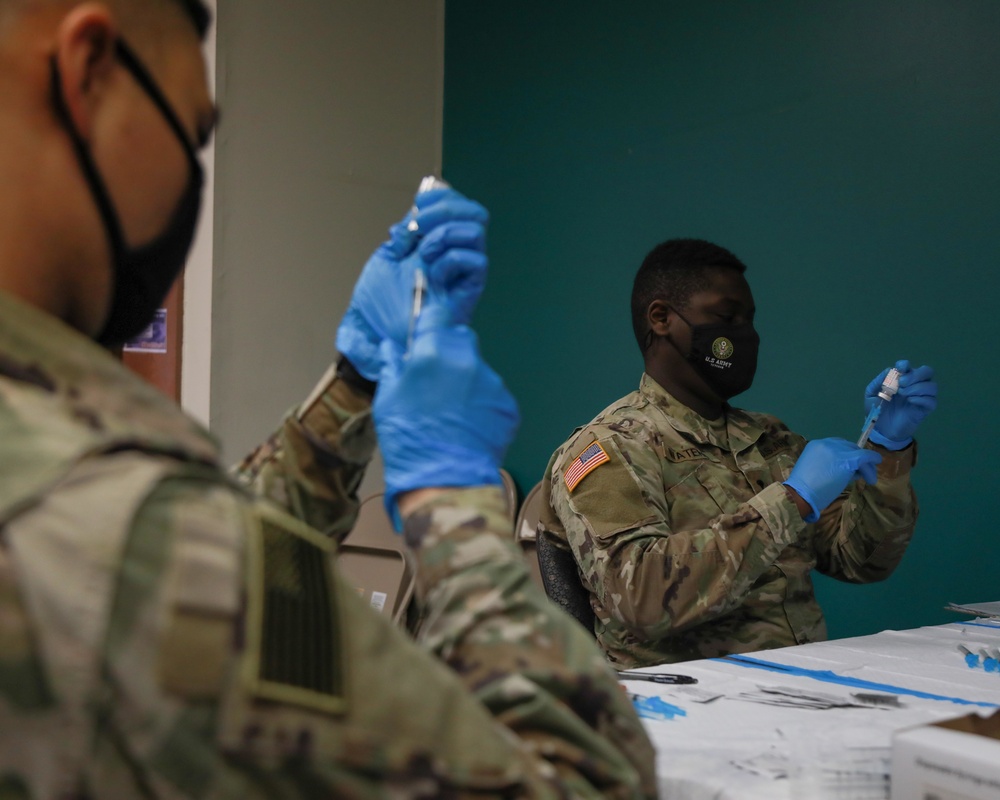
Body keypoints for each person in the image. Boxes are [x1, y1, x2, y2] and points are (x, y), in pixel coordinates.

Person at [0, 1, 657, 796]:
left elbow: (219, 553)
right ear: (88, 71)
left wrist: (353, 382)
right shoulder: (114, 524)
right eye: (193, 135)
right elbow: (588, 783)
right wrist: (453, 497)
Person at [541, 238, 937, 668]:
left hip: (804, 687)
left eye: (749, 320)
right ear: (661, 318)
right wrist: (793, 499)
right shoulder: (610, 448)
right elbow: (642, 599)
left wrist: (887, 447)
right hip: (686, 705)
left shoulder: (769, 438)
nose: (745, 334)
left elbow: (861, 561)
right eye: (726, 317)